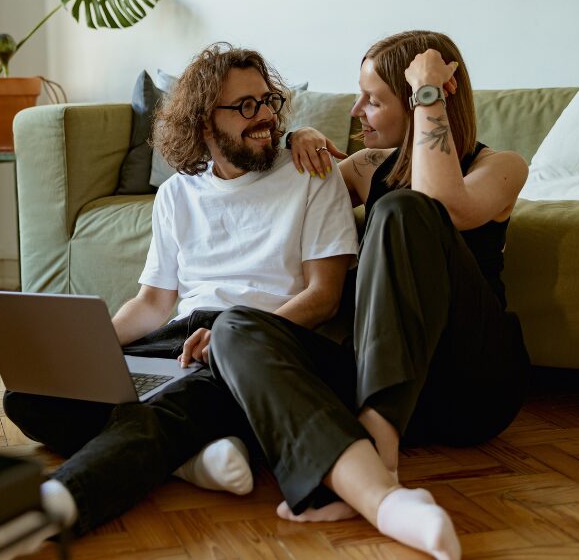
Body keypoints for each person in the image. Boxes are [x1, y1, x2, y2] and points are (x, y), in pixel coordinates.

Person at [0, 43, 359, 541]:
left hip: (260, 345)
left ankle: (50, 507)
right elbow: (152, 304)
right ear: (204, 123)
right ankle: (195, 458)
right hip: (180, 339)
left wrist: (231, 340)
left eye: (268, 101)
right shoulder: (176, 194)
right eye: (244, 107)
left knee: (170, 406)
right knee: (33, 396)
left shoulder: (309, 174)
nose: (265, 119)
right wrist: (89, 349)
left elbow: (325, 296)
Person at [204, 30, 531, 560]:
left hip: (471, 385)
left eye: (374, 99)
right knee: (235, 327)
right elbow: (294, 194)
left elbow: (440, 203)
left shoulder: (502, 166)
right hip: (384, 378)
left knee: (403, 211)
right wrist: (300, 136)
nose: (357, 110)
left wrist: (428, 89)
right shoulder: (366, 167)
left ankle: (377, 448)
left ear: (424, 101)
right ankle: (347, 470)